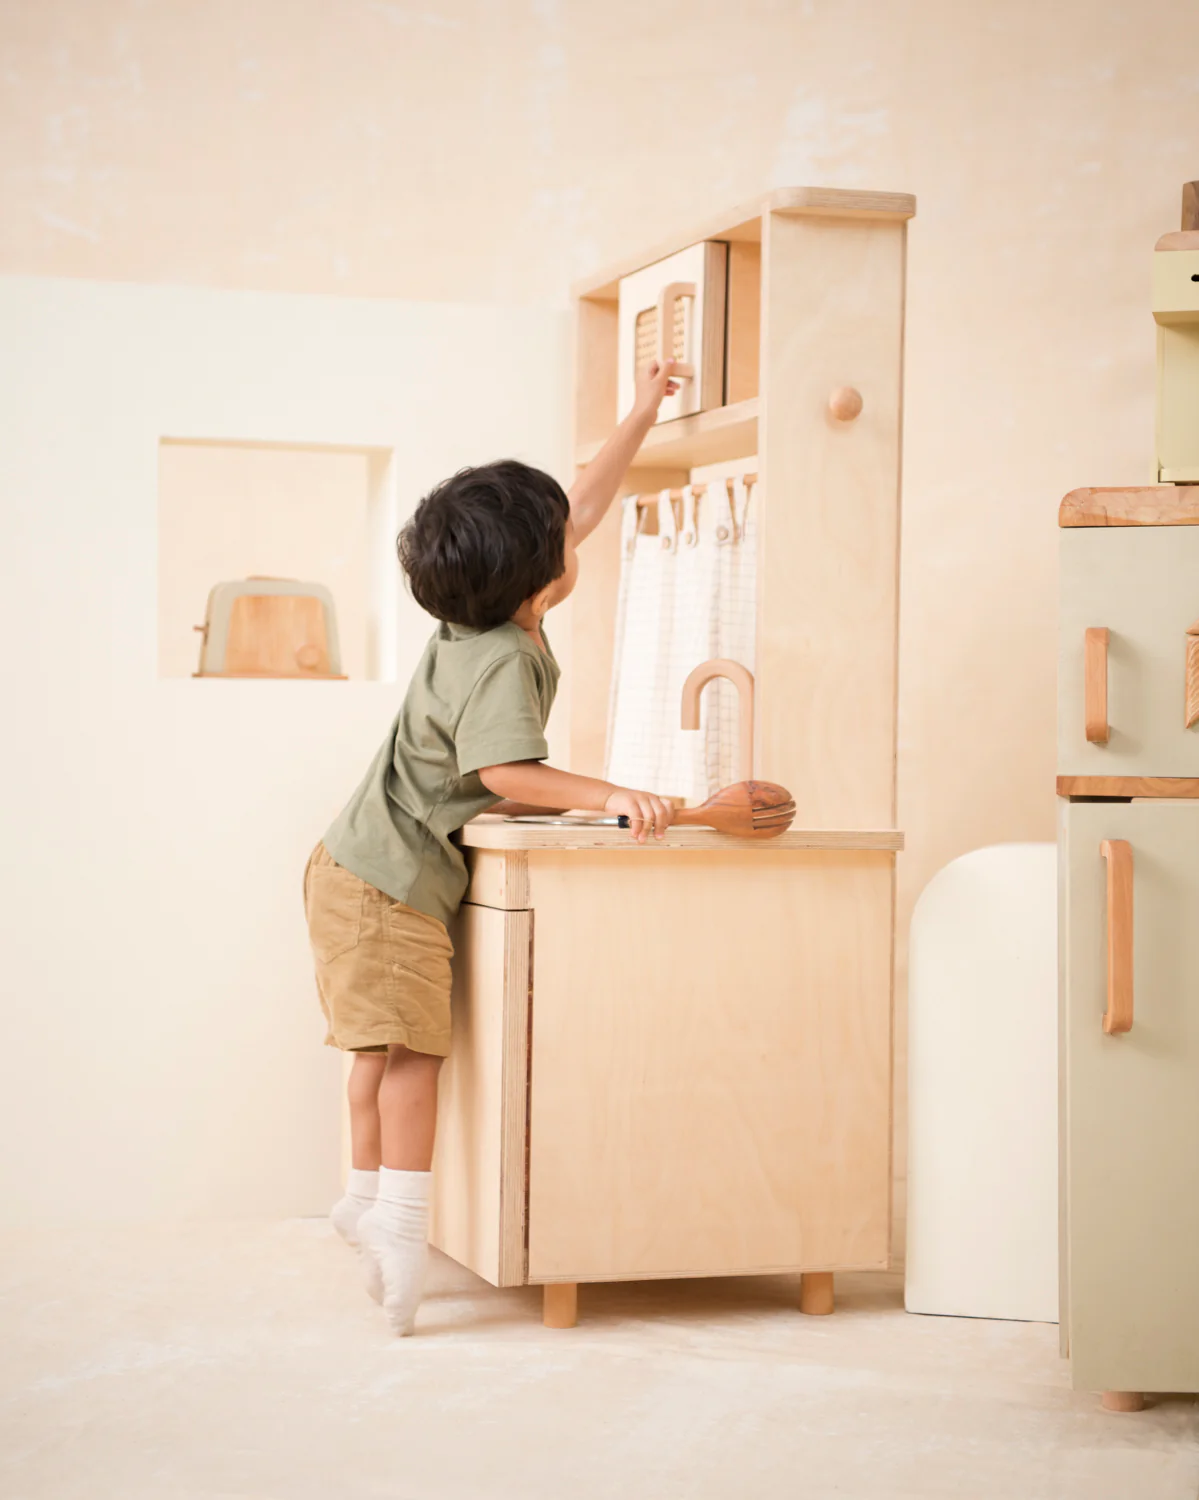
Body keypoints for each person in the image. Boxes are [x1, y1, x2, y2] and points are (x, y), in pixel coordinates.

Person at [302, 357, 681, 1334]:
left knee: (379, 1049)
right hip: (384, 882)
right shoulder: (508, 655)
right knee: (414, 1056)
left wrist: (640, 406)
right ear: (541, 575)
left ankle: (360, 1196)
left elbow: (583, 500)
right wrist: (614, 792)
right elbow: (512, 774)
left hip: (355, 868)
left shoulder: (474, 618)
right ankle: (399, 1221)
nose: (577, 530)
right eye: (562, 536)